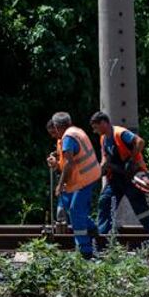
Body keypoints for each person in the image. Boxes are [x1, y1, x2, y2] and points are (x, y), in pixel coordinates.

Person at [90, 110, 149, 249]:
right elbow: (105, 156)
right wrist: (103, 166)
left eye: (96, 127)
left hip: (131, 176)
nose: (95, 131)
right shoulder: (104, 138)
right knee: (104, 202)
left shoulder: (120, 133)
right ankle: (103, 236)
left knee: (140, 207)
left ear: (103, 123)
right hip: (116, 178)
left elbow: (140, 142)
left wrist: (131, 159)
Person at [45, 111, 103, 259]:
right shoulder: (75, 132)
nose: (53, 135)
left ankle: (85, 251)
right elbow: (66, 163)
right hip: (87, 176)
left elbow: (69, 164)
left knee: (75, 210)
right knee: (74, 210)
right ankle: (92, 229)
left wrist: (60, 184)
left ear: (58, 127)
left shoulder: (68, 138)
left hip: (83, 179)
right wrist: (56, 164)